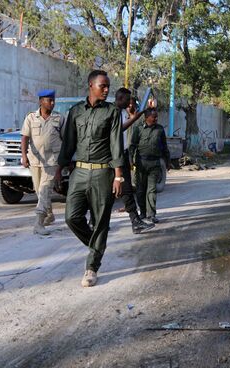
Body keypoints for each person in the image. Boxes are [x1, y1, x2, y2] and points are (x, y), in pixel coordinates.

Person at [56, 70, 125, 288]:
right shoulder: (76, 111)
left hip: (103, 173)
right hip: (80, 172)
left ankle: (91, 267)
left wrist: (118, 177)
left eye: (108, 86)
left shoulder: (112, 112)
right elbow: (68, 142)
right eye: (102, 86)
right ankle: (97, 245)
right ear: (90, 85)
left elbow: (116, 145)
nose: (106, 90)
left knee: (101, 220)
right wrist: (59, 169)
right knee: (71, 217)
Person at [20, 89, 64, 235]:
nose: (52, 103)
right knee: (40, 191)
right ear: (40, 101)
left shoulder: (59, 118)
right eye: (48, 100)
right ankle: (49, 215)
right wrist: (24, 156)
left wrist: (64, 161)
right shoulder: (31, 118)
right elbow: (25, 137)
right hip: (35, 160)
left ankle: (38, 223)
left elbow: (66, 139)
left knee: (45, 189)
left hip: (52, 161)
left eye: (53, 100)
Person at [113, 88, 154, 234]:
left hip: (122, 154)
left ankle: (135, 221)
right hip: (114, 156)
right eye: (128, 99)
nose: (130, 102)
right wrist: (135, 119)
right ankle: (94, 220)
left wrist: (137, 116)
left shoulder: (121, 112)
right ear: (121, 98)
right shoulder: (113, 112)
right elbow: (118, 131)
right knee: (119, 190)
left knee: (126, 190)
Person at [130, 109, 170, 224]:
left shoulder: (160, 129)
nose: (156, 119)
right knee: (140, 190)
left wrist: (167, 161)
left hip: (154, 164)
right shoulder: (138, 129)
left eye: (156, 117)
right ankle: (142, 212)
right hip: (141, 163)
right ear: (146, 117)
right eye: (154, 117)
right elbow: (132, 146)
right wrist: (130, 160)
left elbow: (164, 146)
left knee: (151, 190)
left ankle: (151, 214)